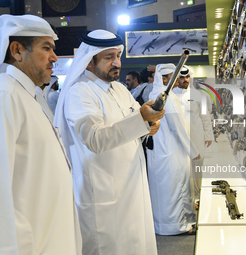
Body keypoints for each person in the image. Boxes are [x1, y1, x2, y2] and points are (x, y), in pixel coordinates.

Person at [54, 29, 164, 255]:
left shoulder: (121, 90)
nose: (116, 62)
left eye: (118, 56)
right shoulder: (80, 93)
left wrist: (148, 127)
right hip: (104, 195)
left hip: (132, 189)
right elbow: (94, 138)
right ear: (89, 62)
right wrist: (141, 120)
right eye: (108, 57)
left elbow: (133, 124)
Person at [0, 14, 81, 254]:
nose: (54, 58)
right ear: (17, 50)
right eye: (46, 48)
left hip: (50, 234)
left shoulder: (31, 95)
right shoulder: (6, 96)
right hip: (32, 243)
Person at [147, 63, 200, 235]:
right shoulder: (165, 97)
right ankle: (181, 225)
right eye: (173, 75)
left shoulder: (156, 94)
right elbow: (178, 128)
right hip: (171, 152)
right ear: (164, 79)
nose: (177, 78)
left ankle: (166, 225)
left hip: (161, 153)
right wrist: (193, 151)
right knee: (177, 188)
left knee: (163, 191)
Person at [173, 65, 213, 206]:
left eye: (187, 77)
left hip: (197, 137)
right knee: (182, 170)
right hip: (178, 140)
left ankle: (197, 198)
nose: (185, 80)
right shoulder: (172, 96)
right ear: (177, 78)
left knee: (196, 169)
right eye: (182, 77)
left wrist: (208, 135)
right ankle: (183, 202)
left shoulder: (198, 95)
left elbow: (205, 116)